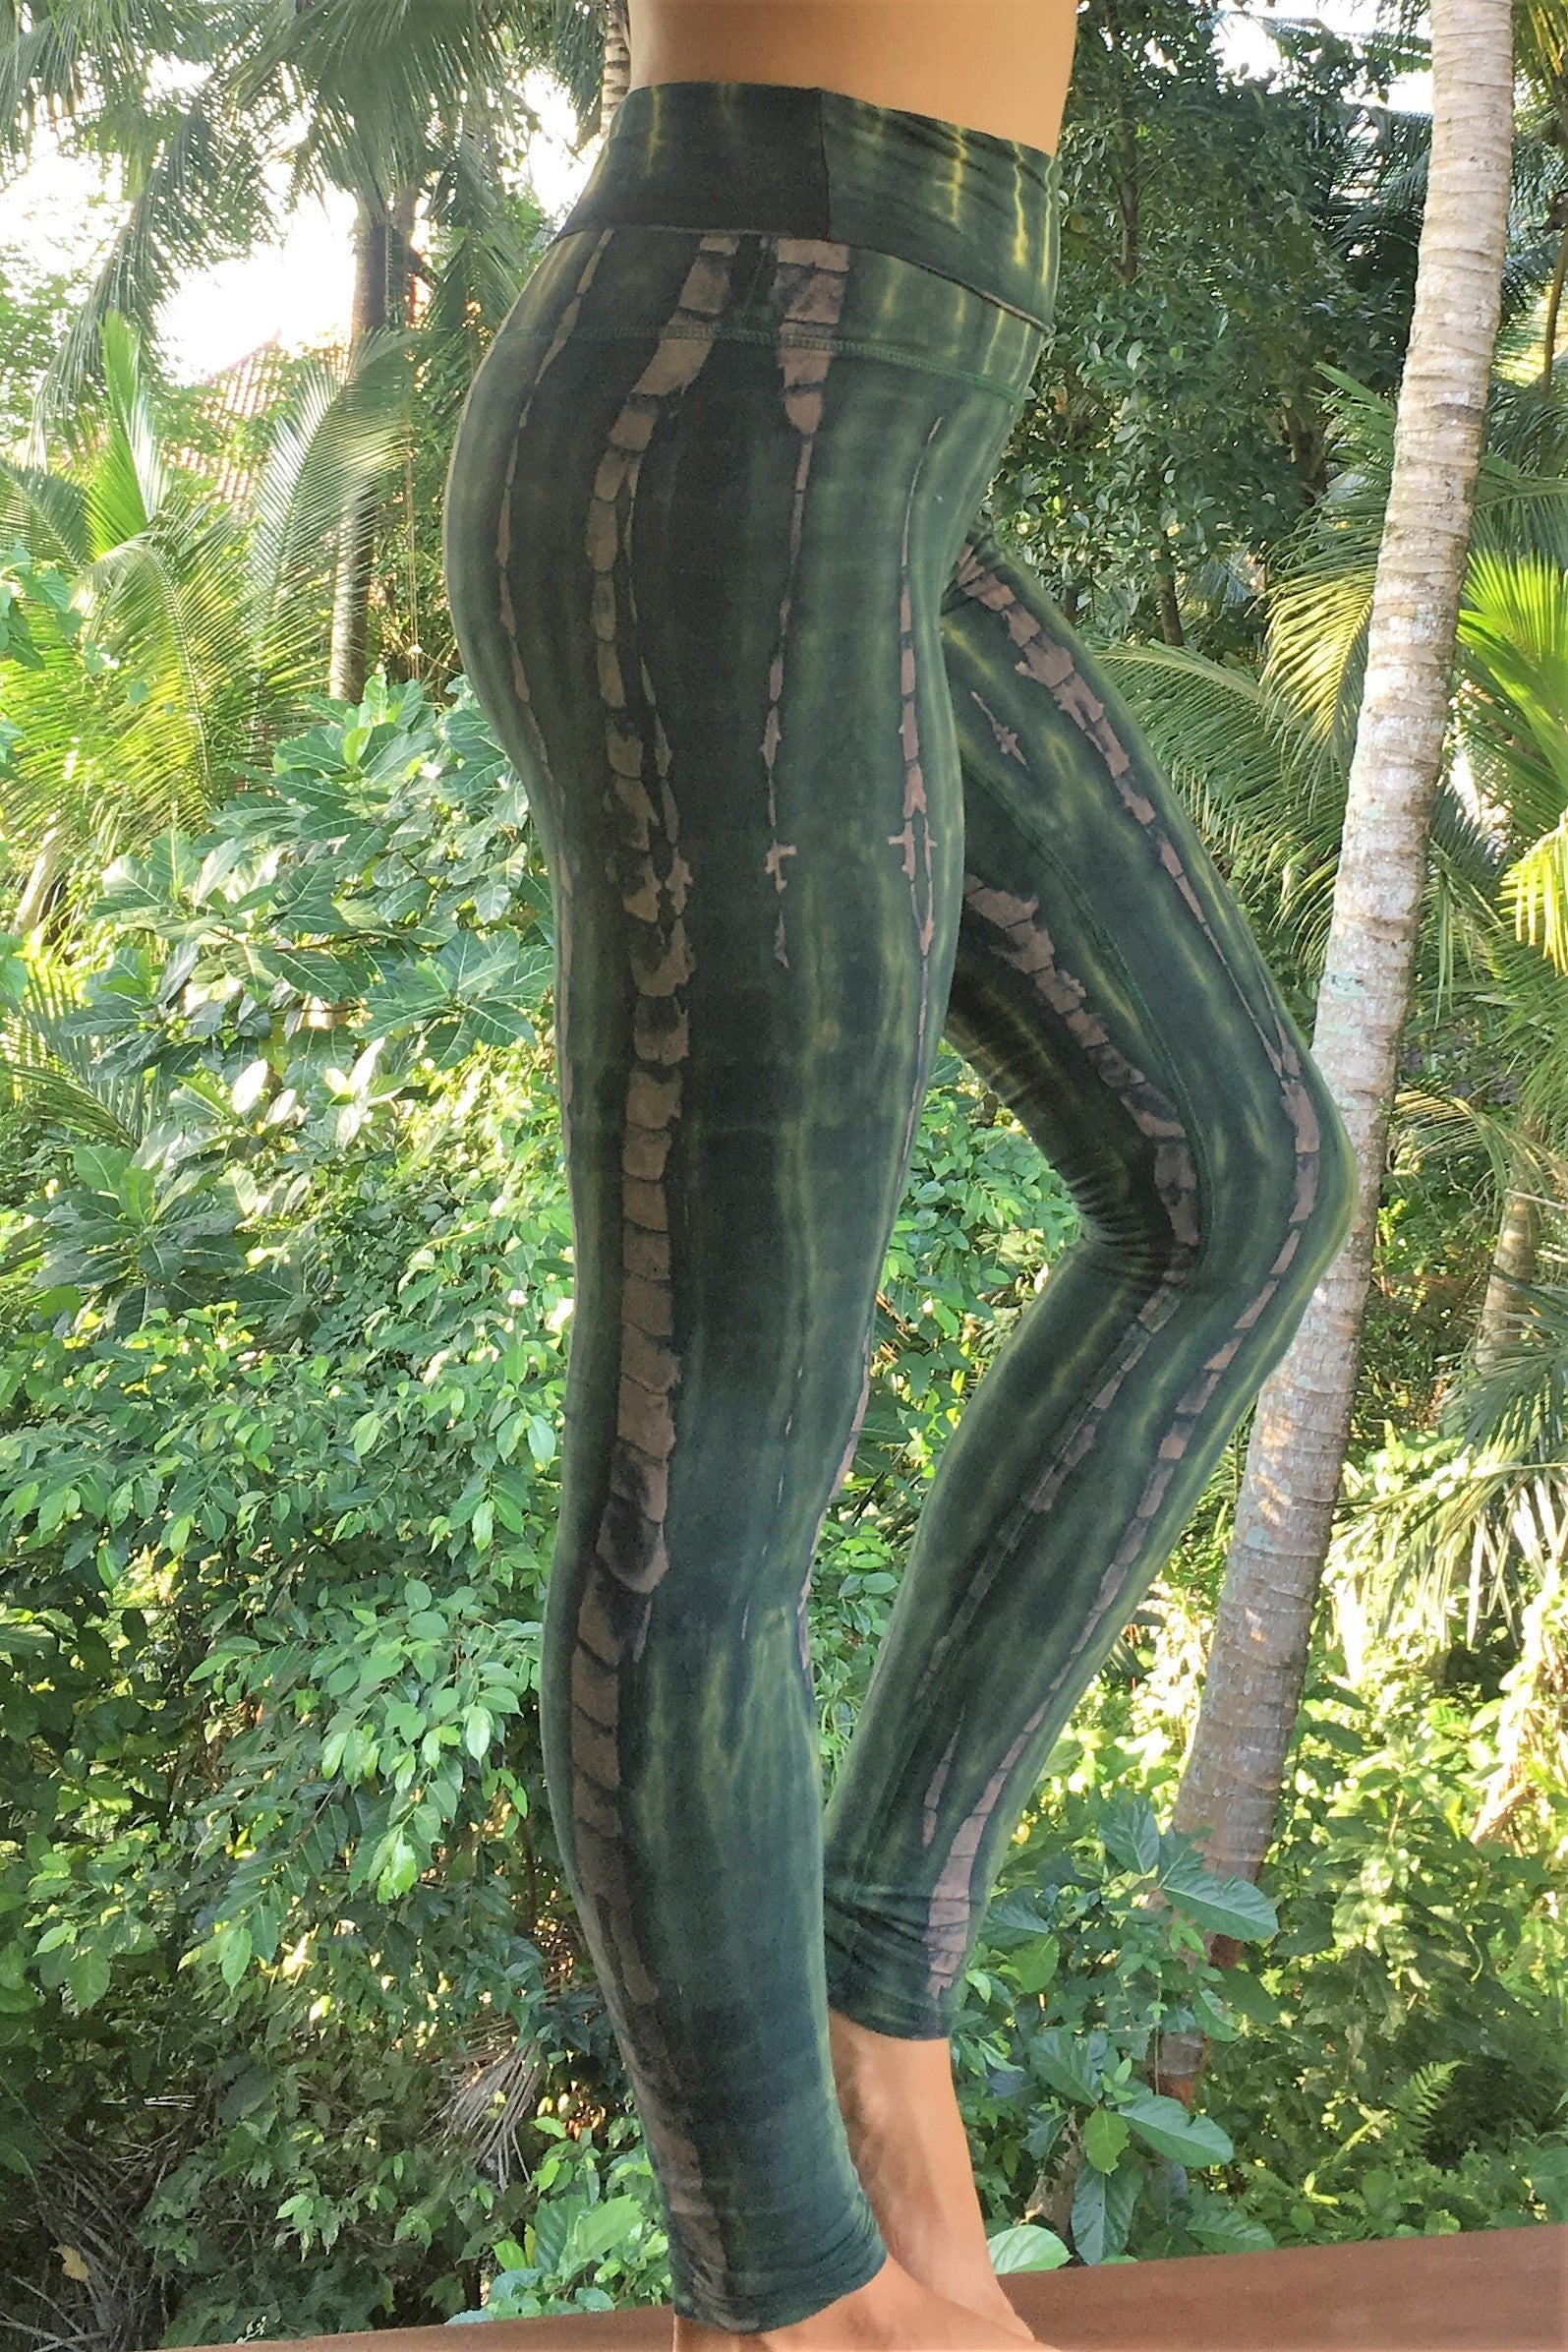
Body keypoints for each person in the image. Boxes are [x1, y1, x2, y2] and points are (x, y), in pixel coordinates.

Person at [441, 2, 1358, 2343]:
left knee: (1236, 1175)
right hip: (728, 388)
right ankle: (795, 2280)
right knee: (718, 1441)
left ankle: (880, 1994)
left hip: (881, 418)